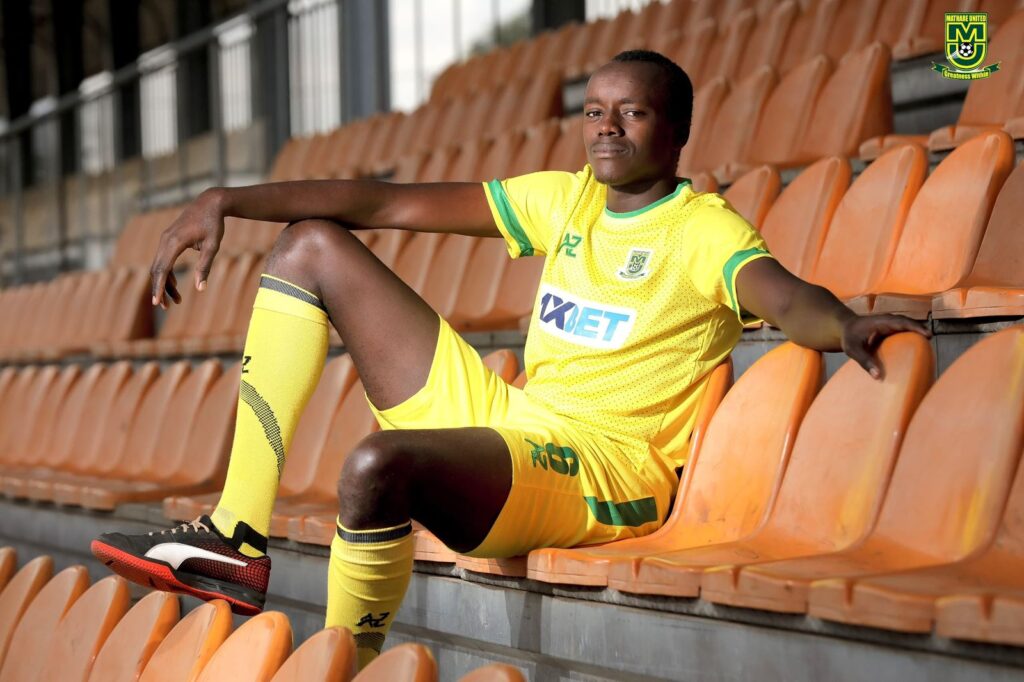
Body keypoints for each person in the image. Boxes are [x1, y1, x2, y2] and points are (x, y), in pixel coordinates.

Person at [91, 50, 928, 669]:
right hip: (519, 422)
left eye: (631, 113)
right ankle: (234, 536)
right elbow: (384, 202)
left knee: (377, 467)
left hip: (601, 469)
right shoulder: (566, 200)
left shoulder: (705, 230)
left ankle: (345, 664)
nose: (606, 127)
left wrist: (843, 324)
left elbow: (784, 295)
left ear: (675, 133)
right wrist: (225, 199)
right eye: (594, 111)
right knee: (311, 245)